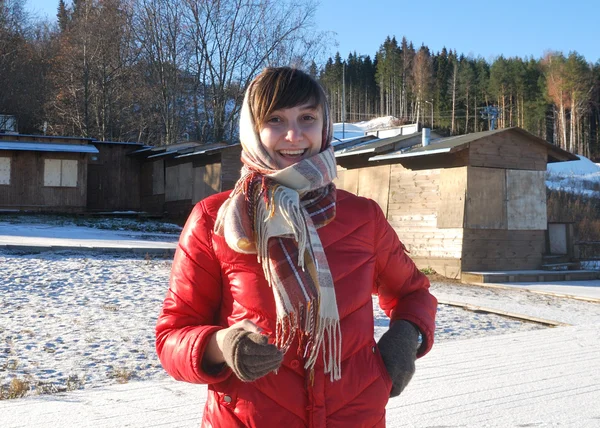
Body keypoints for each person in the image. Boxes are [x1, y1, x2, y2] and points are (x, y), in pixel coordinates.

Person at [155, 66, 437, 427]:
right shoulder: (215, 219)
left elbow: (414, 293)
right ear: (253, 130)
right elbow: (172, 336)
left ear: (325, 126)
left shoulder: (362, 217)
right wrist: (222, 344)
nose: (294, 135)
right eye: (275, 119)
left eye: (307, 117)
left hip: (355, 416)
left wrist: (403, 338)